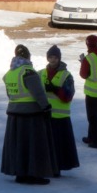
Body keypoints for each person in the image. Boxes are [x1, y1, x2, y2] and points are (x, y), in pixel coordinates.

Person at [0, 45, 57, 185]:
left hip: (14, 115)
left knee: (19, 146)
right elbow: (38, 93)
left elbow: (10, 94)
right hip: (31, 114)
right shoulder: (28, 72)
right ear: (28, 56)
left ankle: (20, 173)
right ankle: (34, 174)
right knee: (34, 145)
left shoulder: (10, 73)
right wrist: (46, 107)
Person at [40, 45, 81, 174]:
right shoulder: (40, 73)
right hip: (44, 116)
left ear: (59, 58)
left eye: (55, 57)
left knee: (59, 147)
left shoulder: (66, 75)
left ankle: (56, 169)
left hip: (60, 118)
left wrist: (55, 89)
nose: (52, 60)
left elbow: (68, 96)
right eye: (50, 57)